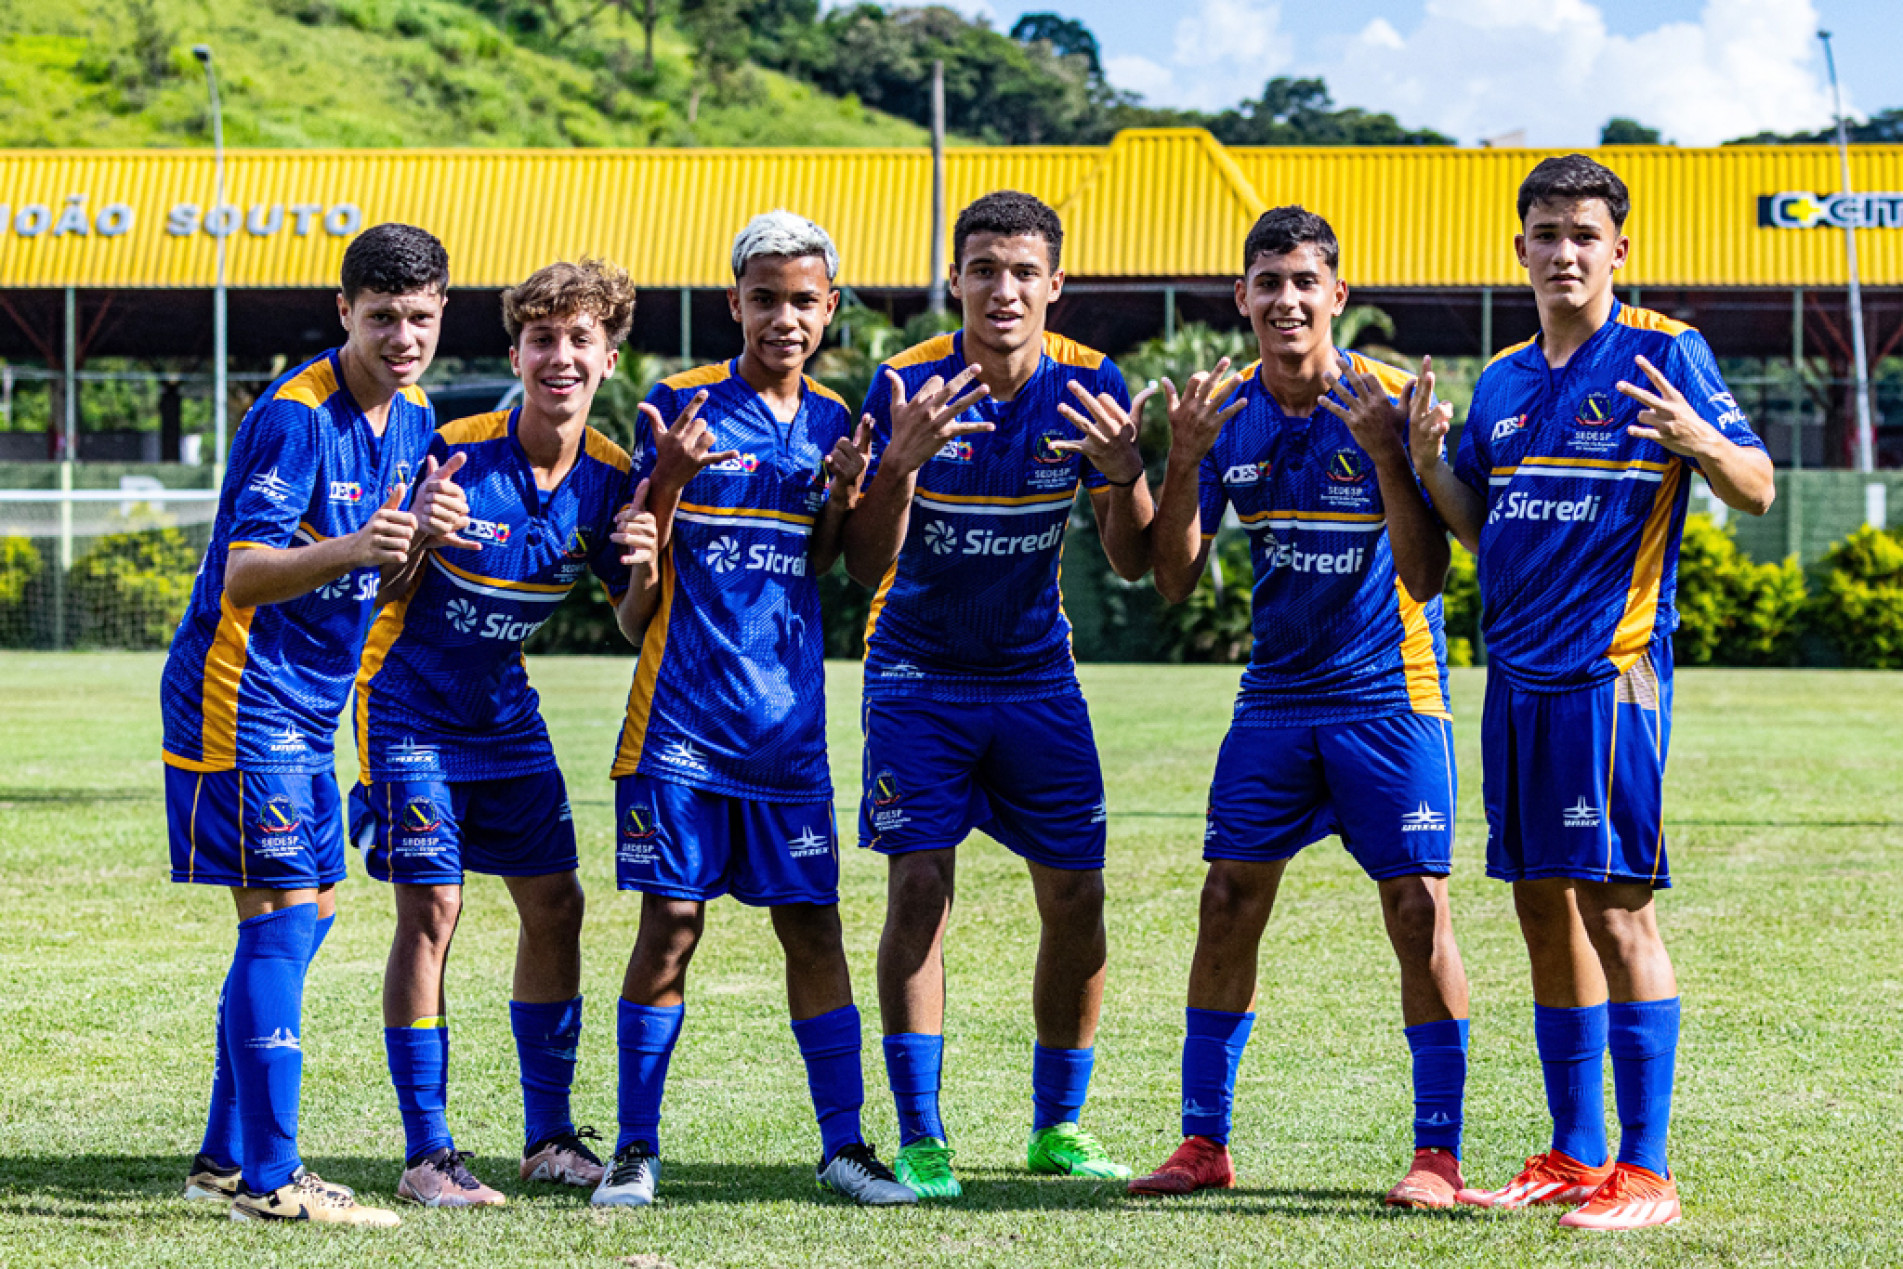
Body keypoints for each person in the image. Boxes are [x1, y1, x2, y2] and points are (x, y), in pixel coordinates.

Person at [1407, 155, 1774, 1231]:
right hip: (1513, 679)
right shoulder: (1507, 379)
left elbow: (1755, 490)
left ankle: (1646, 1171)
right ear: (1517, 247)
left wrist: (1701, 439)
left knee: (1616, 908)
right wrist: (1431, 464)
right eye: (1545, 233)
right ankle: (1573, 1153)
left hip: (1609, 679)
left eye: (1583, 234)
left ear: (1619, 248)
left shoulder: (1667, 353)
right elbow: (1482, 530)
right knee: (1537, 903)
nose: (1563, 252)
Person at [1127, 206, 1473, 1208]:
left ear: (1337, 296)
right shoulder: (1219, 409)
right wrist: (1181, 459)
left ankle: (1436, 1156)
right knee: (1226, 904)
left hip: (1388, 698)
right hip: (1274, 701)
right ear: (1242, 298)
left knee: (1417, 909)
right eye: (1265, 283)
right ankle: (1202, 1144)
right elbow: (1175, 584)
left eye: (1302, 282)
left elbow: (1425, 572)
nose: (1284, 300)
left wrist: (1385, 460)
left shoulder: (1390, 401)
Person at [593, 211, 914, 1209]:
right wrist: (671, 483)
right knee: (671, 925)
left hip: (786, 737)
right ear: (733, 302)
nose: (783, 316)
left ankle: (845, 1148)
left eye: (803, 300)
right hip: (679, 729)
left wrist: (848, 496)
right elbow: (630, 603)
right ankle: (634, 1150)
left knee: (813, 930)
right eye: (764, 298)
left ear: (829, 311)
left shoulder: (834, 421)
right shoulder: (676, 406)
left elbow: (822, 563)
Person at [840, 190, 1156, 1199]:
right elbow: (859, 562)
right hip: (916, 679)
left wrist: (1126, 472)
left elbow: (1133, 556)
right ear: (956, 281)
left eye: (1024, 271)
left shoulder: (1090, 384)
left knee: (1077, 896)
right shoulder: (905, 383)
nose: (1004, 288)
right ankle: (923, 1136)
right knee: (919, 893)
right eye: (984, 268)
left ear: (1054, 286)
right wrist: (898, 463)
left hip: (1034, 680)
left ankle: (1057, 1126)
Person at [162, 223, 466, 1226]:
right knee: (283, 920)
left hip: (308, 704)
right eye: (382, 317)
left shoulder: (417, 415)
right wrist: (356, 545)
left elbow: (387, 571)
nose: (403, 337)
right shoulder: (298, 416)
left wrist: (419, 537)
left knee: (311, 914)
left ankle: (223, 1157)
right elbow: (244, 572)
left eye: (421, 318)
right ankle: (274, 1183)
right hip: (239, 693)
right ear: (346, 312)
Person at [349, 258, 648, 1207]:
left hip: (502, 711)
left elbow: (636, 626)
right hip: (405, 701)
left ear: (608, 355)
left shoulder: (610, 479)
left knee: (557, 905)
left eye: (579, 339)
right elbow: (376, 589)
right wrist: (418, 535)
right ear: (516, 350)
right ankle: (427, 1152)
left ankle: (548, 1137)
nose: (560, 357)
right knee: (432, 909)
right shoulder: (451, 448)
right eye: (542, 338)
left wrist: (646, 557)